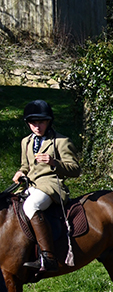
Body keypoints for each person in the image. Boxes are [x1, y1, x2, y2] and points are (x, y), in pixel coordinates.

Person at [12, 100, 81, 274]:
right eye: (33, 123)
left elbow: (75, 170)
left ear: (48, 121)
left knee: (31, 206)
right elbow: (25, 166)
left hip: (51, 186)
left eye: (41, 122)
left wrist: (54, 162)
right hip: (30, 185)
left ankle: (48, 257)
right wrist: (20, 173)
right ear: (28, 123)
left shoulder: (61, 141)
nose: (37, 126)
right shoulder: (26, 142)